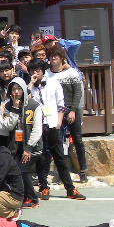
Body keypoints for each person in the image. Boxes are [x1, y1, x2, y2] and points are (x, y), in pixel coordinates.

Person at [27, 59, 85, 200]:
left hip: (53, 124)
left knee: (60, 157)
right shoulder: (30, 87)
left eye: (38, 70)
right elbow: (25, 102)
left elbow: (61, 103)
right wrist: (31, 84)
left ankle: (70, 189)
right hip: (38, 126)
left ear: (43, 71)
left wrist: (59, 121)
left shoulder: (53, 83)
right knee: (42, 158)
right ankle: (43, 187)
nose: (35, 73)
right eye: (32, 71)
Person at [0, 78, 44, 209]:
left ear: (24, 90)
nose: (16, 92)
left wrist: (29, 148)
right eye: (13, 89)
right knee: (17, 172)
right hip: (14, 146)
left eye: (19, 89)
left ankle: (32, 198)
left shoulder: (34, 105)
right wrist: (15, 110)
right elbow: (6, 126)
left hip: (31, 147)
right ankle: (25, 197)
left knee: (22, 171)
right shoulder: (6, 106)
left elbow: (37, 129)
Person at [47, 45, 88, 184]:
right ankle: (62, 173)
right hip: (55, 112)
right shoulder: (47, 74)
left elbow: (78, 92)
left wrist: (73, 110)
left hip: (71, 109)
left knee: (77, 140)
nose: (53, 58)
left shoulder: (71, 72)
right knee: (58, 142)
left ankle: (83, 171)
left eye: (56, 56)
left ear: (62, 58)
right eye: (51, 56)